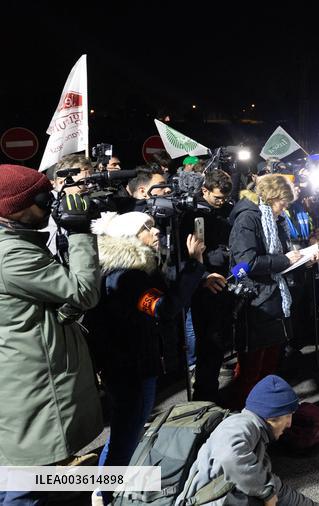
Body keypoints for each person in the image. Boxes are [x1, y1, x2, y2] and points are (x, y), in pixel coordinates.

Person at [87, 212, 219, 504]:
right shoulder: (127, 275)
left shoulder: (134, 269)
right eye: (147, 227)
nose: (156, 230)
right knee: (127, 432)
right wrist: (195, 263)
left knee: (127, 429)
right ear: (129, 237)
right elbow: (164, 308)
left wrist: (197, 277)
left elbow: (166, 292)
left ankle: (106, 487)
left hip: (129, 363)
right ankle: (104, 494)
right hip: (129, 367)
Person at [0, 165, 102, 503]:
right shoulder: (11, 254)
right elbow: (83, 290)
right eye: (43, 200)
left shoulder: (14, 242)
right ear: (13, 207)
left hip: (24, 372)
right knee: (24, 483)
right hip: (30, 383)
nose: (49, 206)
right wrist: (79, 230)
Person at [228, 174, 319, 409]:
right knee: (250, 371)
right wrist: (283, 261)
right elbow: (242, 265)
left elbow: (284, 255)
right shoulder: (248, 218)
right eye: (283, 202)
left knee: (269, 367)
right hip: (257, 303)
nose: (285, 208)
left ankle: (266, 418)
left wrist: (304, 260)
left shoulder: (275, 218)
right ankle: (245, 419)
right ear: (270, 197)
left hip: (276, 299)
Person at [178, 375, 319, 506]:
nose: (290, 424)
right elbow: (229, 457)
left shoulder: (256, 440)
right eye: (288, 415)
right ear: (272, 416)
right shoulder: (241, 425)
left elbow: (278, 490)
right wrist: (266, 492)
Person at [189, 169, 236, 403]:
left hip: (226, 282)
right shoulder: (191, 213)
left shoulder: (227, 209)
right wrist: (203, 276)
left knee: (219, 345)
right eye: (217, 197)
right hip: (204, 289)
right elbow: (186, 257)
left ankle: (213, 392)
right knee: (209, 345)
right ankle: (204, 398)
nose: (222, 202)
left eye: (225, 198)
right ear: (204, 190)